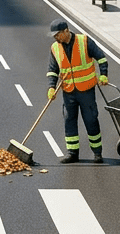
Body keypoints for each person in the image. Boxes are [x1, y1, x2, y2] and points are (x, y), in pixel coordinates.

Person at [46, 20, 109, 163]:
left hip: (86, 91)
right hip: (68, 92)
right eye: (54, 36)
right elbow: (52, 71)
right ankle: (72, 153)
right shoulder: (55, 48)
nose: (55, 38)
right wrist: (51, 87)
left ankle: (97, 153)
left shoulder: (84, 41)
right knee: (69, 121)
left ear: (66, 31)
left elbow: (101, 58)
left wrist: (103, 74)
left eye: (57, 35)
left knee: (91, 120)